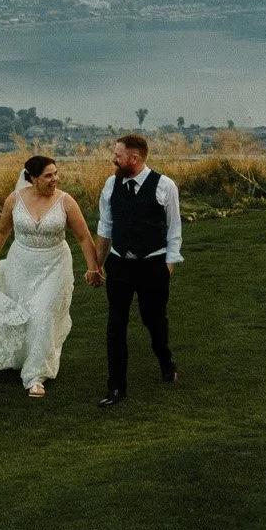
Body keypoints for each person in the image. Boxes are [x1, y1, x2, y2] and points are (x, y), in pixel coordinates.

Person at [0, 154, 102, 397]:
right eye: (48, 175)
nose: (55, 179)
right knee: (27, 315)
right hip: (21, 265)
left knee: (43, 313)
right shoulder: (15, 200)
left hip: (55, 265)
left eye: (56, 173)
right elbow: (1, 231)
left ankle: (35, 376)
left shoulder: (66, 201)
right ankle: (26, 357)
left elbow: (83, 237)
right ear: (32, 178)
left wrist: (93, 267)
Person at [94, 133, 182, 408]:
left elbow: (174, 228)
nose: (113, 159)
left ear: (134, 158)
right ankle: (116, 386)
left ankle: (165, 359)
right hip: (120, 263)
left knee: (153, 320)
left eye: (117, 155)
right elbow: (105, 226)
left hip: (153, 265)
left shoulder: (165, 186)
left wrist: (168, 263)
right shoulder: (111, 184)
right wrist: (97, 264)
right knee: (116, 324)